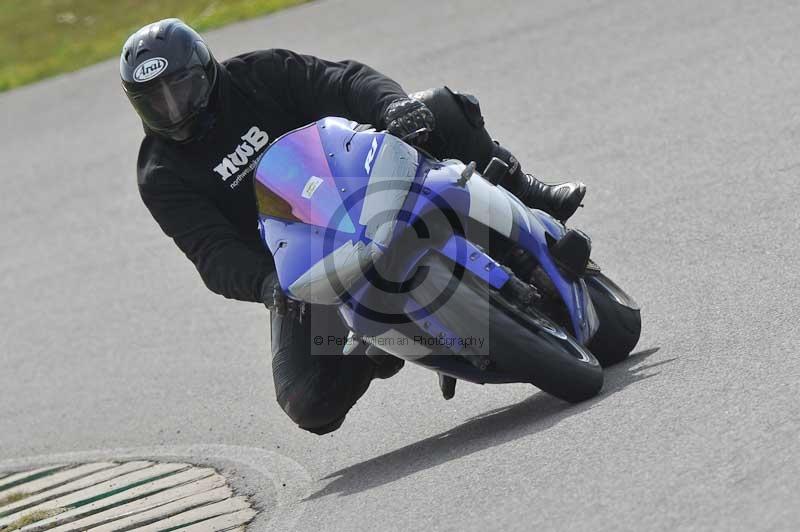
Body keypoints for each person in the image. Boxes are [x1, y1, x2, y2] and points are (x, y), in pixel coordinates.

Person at [121, 18, 587, 435]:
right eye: (155, 102)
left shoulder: (261, 73)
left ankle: (527, 194)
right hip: (312, 266)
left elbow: (344, 81)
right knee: (308, 402)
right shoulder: (161, 175)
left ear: (207, 71)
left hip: (374, 185)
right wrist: (267, 285)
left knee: (437, 106)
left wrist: (392, 106)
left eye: (181, 89)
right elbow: (211, 251)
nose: (174, 109)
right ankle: (380, 345)